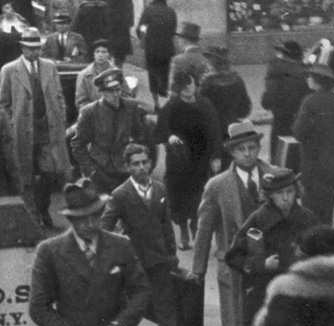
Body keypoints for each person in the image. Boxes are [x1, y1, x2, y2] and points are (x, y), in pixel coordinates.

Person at [28, 181, 152, 326]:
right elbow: (38, 307)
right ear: (71, 219)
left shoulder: (120, 246)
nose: (90, 224)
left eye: (95, 216)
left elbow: (140, 291)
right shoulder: (49, 251)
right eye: (82, 219)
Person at [224, 168, 318, 326]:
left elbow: (324, 251)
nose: (286, 198)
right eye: (279, 194)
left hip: (297, 298)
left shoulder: (307, 219)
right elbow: (233, 255)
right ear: (269, 196)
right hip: (264, 299)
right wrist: (260, 265)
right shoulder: (258, 220)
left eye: (290, 192)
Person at [102, 143, 189, 326]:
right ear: (128, 167)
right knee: (134, 303)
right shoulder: (120, 194)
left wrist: (172, 252)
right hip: (134, 260)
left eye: (144, 162)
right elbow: (105, 226)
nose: (141, 167)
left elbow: (166, 223)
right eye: (135, 164)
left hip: (159, 257)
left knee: (165, 301)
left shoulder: (160, 189)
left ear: (150, 163)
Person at [192, 122, 274, 326]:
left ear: (258, 148)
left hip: (269, 261)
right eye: (241, 149)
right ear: (231, 152)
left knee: (268, 323)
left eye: (252, 148)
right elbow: (204, 230)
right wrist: (198, 270)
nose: (247, 154)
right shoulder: (217, 186)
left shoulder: (274, 176)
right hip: (234, 264)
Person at [0, 31, 71, 227]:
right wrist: (11, 126)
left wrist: (61, 119)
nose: (35, 52)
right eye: (30, 48)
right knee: (26, 175)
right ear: (23, 48)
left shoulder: (50, 67)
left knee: (49, 172)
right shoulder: (9, 70)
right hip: (22, 132)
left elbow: (59, 96)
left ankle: (43, 206)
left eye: (37, 48)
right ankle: (33, 216)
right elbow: (2, 104)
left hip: (47, 130)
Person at [154, 69, 223, 249]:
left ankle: (196, 229)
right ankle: (183, 230)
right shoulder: (170, 107)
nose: (187, 90)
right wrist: (169, 137)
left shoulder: (205, 105)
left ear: (195, 84)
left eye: (190, 85)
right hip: (178, 163)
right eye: (183, 87)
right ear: (178, 89)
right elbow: (158, 132)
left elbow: (215, 131)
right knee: (178, 199)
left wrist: (216, 156)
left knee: (200, 197)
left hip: (200, 161)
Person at [292, 62, 334, 224]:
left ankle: (312, 240)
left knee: (310, 205)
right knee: (328, 204)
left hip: (311, 160)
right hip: (333, 160)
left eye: (310, 77)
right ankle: (327, 237)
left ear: (317, 81)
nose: (308, 79)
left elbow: (298, 132)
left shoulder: (309, 102)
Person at [71, 67, 150, 193]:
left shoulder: (131, 106)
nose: (115, 94)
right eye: (110, 91)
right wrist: (90, 170)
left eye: (118, 89)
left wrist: (136, 162)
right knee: (105, 210)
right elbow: (77, 144)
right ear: (102, 92)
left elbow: (139, 135)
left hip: (125, 170)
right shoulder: (90, 111)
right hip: (101, 171)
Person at [261, 39, 311, 165]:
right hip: (300, 122)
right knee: (297, 161)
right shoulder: (305, 74)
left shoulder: (274, 72)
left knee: (278, 158)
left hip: (279, 121)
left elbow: (266, 102)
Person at [198, 45, 252, 134]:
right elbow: (245, 109)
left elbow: (200, 111)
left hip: (212, 130)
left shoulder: (206, 84)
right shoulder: (237, 80)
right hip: (234, 128)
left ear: (211, 64)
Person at [138, 0, 177, 100]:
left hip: (152, 49)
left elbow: (141, 28)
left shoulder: (148, 11)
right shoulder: (171, 12)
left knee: (152, 74)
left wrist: (143, 38)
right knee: (165, 73)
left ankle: (156, 103)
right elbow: (173, 30)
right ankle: (164, 95)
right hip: (167, 48)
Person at [169, 21, 209, 87]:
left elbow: (172, 86)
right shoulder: (206, 58)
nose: (178, 41)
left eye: (179, 38)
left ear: (184, 40)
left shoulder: (178, 60)